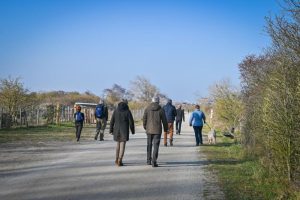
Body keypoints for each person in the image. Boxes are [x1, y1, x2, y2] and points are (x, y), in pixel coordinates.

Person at [143, 96, 168, 167]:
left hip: (149, 130)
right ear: (158, 101)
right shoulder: (161, 109)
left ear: (152, 101)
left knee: (149, 145)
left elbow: (144, 118)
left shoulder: (147, 108)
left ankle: (148, 160)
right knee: (156, 146)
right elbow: (164, 120)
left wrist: (145, 127)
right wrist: (165, 129)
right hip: (157, 130)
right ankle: (154, 161)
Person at [109, 99, 135, 166]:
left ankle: (116, 159)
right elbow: (131, 122)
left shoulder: (116, 110)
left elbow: (112, 121)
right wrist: (132, 131)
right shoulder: (127, 111)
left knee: (118, 145)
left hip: (116, 130)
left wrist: (111, 130)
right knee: (122, 145)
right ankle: (120, 160)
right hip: (124, 130)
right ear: (126, 104)